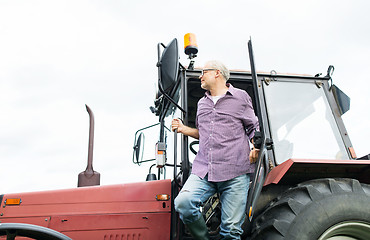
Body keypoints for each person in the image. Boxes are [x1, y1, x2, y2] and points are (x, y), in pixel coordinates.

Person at [172, 60, 260, 240]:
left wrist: (256, 147)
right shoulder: (202, 104)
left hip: (235, 171)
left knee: (231, 231)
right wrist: (183, 129)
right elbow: (204, 133)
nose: (200, 76)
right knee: (183, 202)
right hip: (205, 169)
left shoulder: (241, 97)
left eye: (203, 72)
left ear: (217, 73)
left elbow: (253, 127)